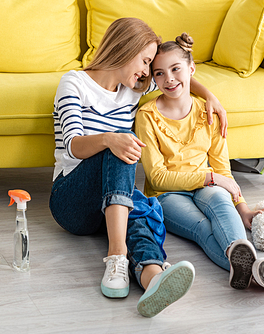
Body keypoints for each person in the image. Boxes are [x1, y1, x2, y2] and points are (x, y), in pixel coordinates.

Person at [49, 18, 228, 317]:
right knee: (122, 146)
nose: (147, 71)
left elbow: (171, 80)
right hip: (70, 201)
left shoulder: (133, 90)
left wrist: (209, 95)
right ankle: (116, 257)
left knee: (137, 215)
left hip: (111, 205)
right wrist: (110, 139)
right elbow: (72, 144)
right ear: (124, 49)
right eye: (145, 61)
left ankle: (153, 278)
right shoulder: (74, 83)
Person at [135, 33, 264, 292]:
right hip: (167, 194)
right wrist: (209, 179)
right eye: (159, 73)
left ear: (191, 69)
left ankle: (249, 268)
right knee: (201, 228)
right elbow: (157, 177)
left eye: (176, 69)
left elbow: (221, 169)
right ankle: (256, 270)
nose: (169, 79)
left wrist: (242, 207)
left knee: (219, 200)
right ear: (153, 78)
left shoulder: (210, 112)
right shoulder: (146, 117)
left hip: (207, 185)